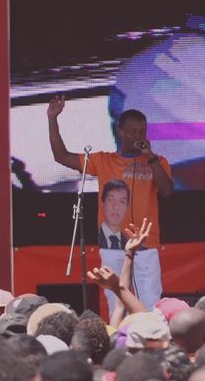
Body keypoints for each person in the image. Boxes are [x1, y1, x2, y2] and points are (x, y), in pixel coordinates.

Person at [48, 97, 174, 311]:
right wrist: (52, 119)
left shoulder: (157, 162)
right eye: (133, 131)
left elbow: (167, 190)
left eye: (142, 132)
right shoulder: (102, 160)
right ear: (120, 131)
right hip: (112, 244)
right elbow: (61, 156)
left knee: (151, 303)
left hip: (146, 243)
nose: (138, 136)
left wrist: (150, 156)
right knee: (116, 304)